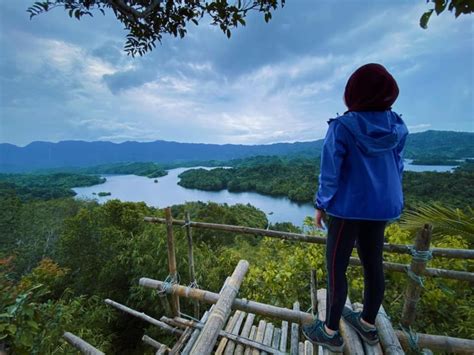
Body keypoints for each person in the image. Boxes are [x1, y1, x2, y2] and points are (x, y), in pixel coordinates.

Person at [302, 63, 408, 352]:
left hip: (347, 210)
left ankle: (330, 330)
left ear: (353, 93)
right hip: (382, 207)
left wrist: (321, 205)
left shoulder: (342, 127)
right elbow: (397, 166)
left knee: (337, 267)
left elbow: (330, 172)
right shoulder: (397, 125)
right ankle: (368, 324)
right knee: (374, 264)